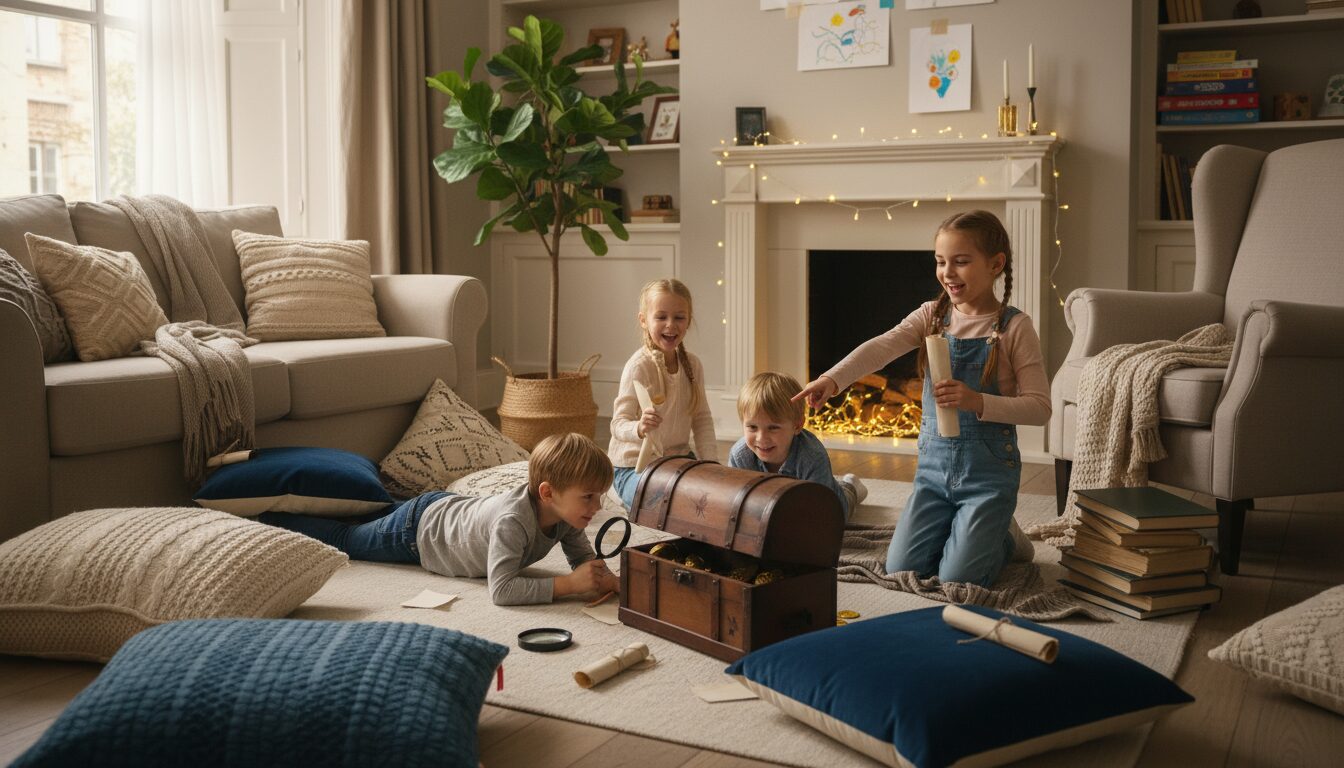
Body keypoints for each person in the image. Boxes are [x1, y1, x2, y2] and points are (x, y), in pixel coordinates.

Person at [796, 210, 1048, 587]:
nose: (948, 272)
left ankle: (1004, 534)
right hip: (933, 473)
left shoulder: (1014, 327)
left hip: (988, 475)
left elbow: (1040, 408)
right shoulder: (932, 315)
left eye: (961, 262)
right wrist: (831, 381)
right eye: (940, 261)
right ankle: (964, 526)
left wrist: (978, 401)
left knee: (959, 578)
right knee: (901, 570)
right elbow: (881, 347)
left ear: (996, 265)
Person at [259, 433, 620, 606]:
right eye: (588, 496)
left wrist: (610, 581)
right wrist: (568, 586)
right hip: (418, 533)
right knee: (349, 539)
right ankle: (270, 518)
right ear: (547, 493)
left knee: (375, 517)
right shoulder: (513, 522)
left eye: (599, 495)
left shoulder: (568, 518)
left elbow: (583, 560)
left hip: (446, 508)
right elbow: (503, 590)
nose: (597, 505)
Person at [609, 278, 716, 508]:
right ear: (644, 320)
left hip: (676, 460)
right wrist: (638, 427)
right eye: (661, 317)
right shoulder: (639, 366)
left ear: (688, 321)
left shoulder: (693, 365)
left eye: (679, 317)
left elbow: (702, 420)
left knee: (708, 498)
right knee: (663, 502)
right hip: (633, 466)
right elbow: (617, 424)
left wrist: (712, 467)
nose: (671, 325)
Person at [729, 371, 866, 521]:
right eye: (752, 427)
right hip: (768, 506)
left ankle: (850, 486)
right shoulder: (740, 455)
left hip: (823, 501)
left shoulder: (812, 457)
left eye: (773, 428)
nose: (762, 438)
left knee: (842, 509)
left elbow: (822, 512)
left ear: (797, 425)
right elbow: (734, 503)